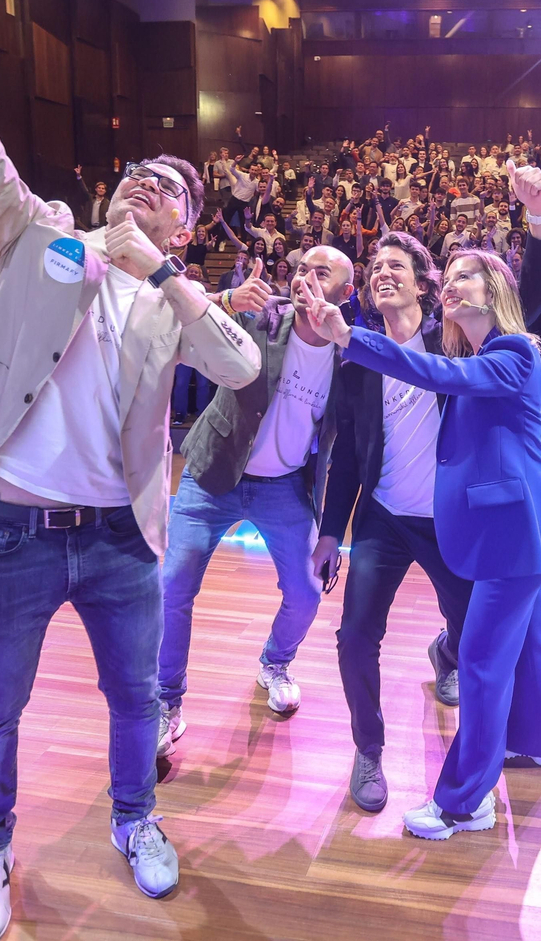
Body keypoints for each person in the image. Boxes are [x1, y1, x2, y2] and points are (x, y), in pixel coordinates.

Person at [0, 0, 261, 939]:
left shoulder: (171, 299)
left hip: (118, 539)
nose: (149, 184)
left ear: (188, 230)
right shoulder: (40, 240)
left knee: (134, 705)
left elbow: (240, 366)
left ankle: (134, 820)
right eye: (140, 175)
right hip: (10, 529)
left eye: (172, 190)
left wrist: (167, 274)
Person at [296, 247, 541, 842]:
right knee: (533, 643)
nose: (451, 286)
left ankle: (465, 803)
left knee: (482, 661)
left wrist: (348, 337)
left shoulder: (508, 350)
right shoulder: (480, 351)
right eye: (449, 278)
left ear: (494, 287)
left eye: (462, 276)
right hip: (500, 525)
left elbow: (441, 375)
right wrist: (328, 529)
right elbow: (347, 456)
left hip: (499, 528)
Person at [159, 244, 355, 744]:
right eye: (301, 268)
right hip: (214, 474)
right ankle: (165, 700)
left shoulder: (348, 355)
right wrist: (227, 299)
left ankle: (275, 662)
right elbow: (185, 317)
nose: (305, 277)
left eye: (322, 272)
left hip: (285, 487)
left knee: (308, 593)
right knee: (173, 587)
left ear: (345, 293)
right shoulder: (261, 319)